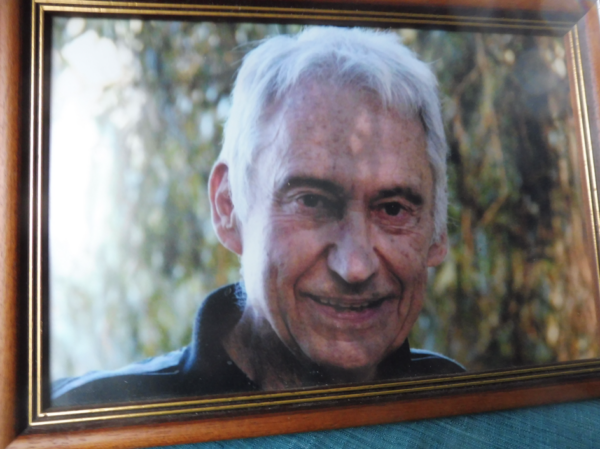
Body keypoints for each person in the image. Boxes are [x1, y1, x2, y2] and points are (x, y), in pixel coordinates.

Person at [52, 26, 464, 407]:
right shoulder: (85, 421)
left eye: (393, 209)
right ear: (228, 206)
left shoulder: (467, 410)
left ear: (437, 229)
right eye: (312, 201)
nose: (355, 266)